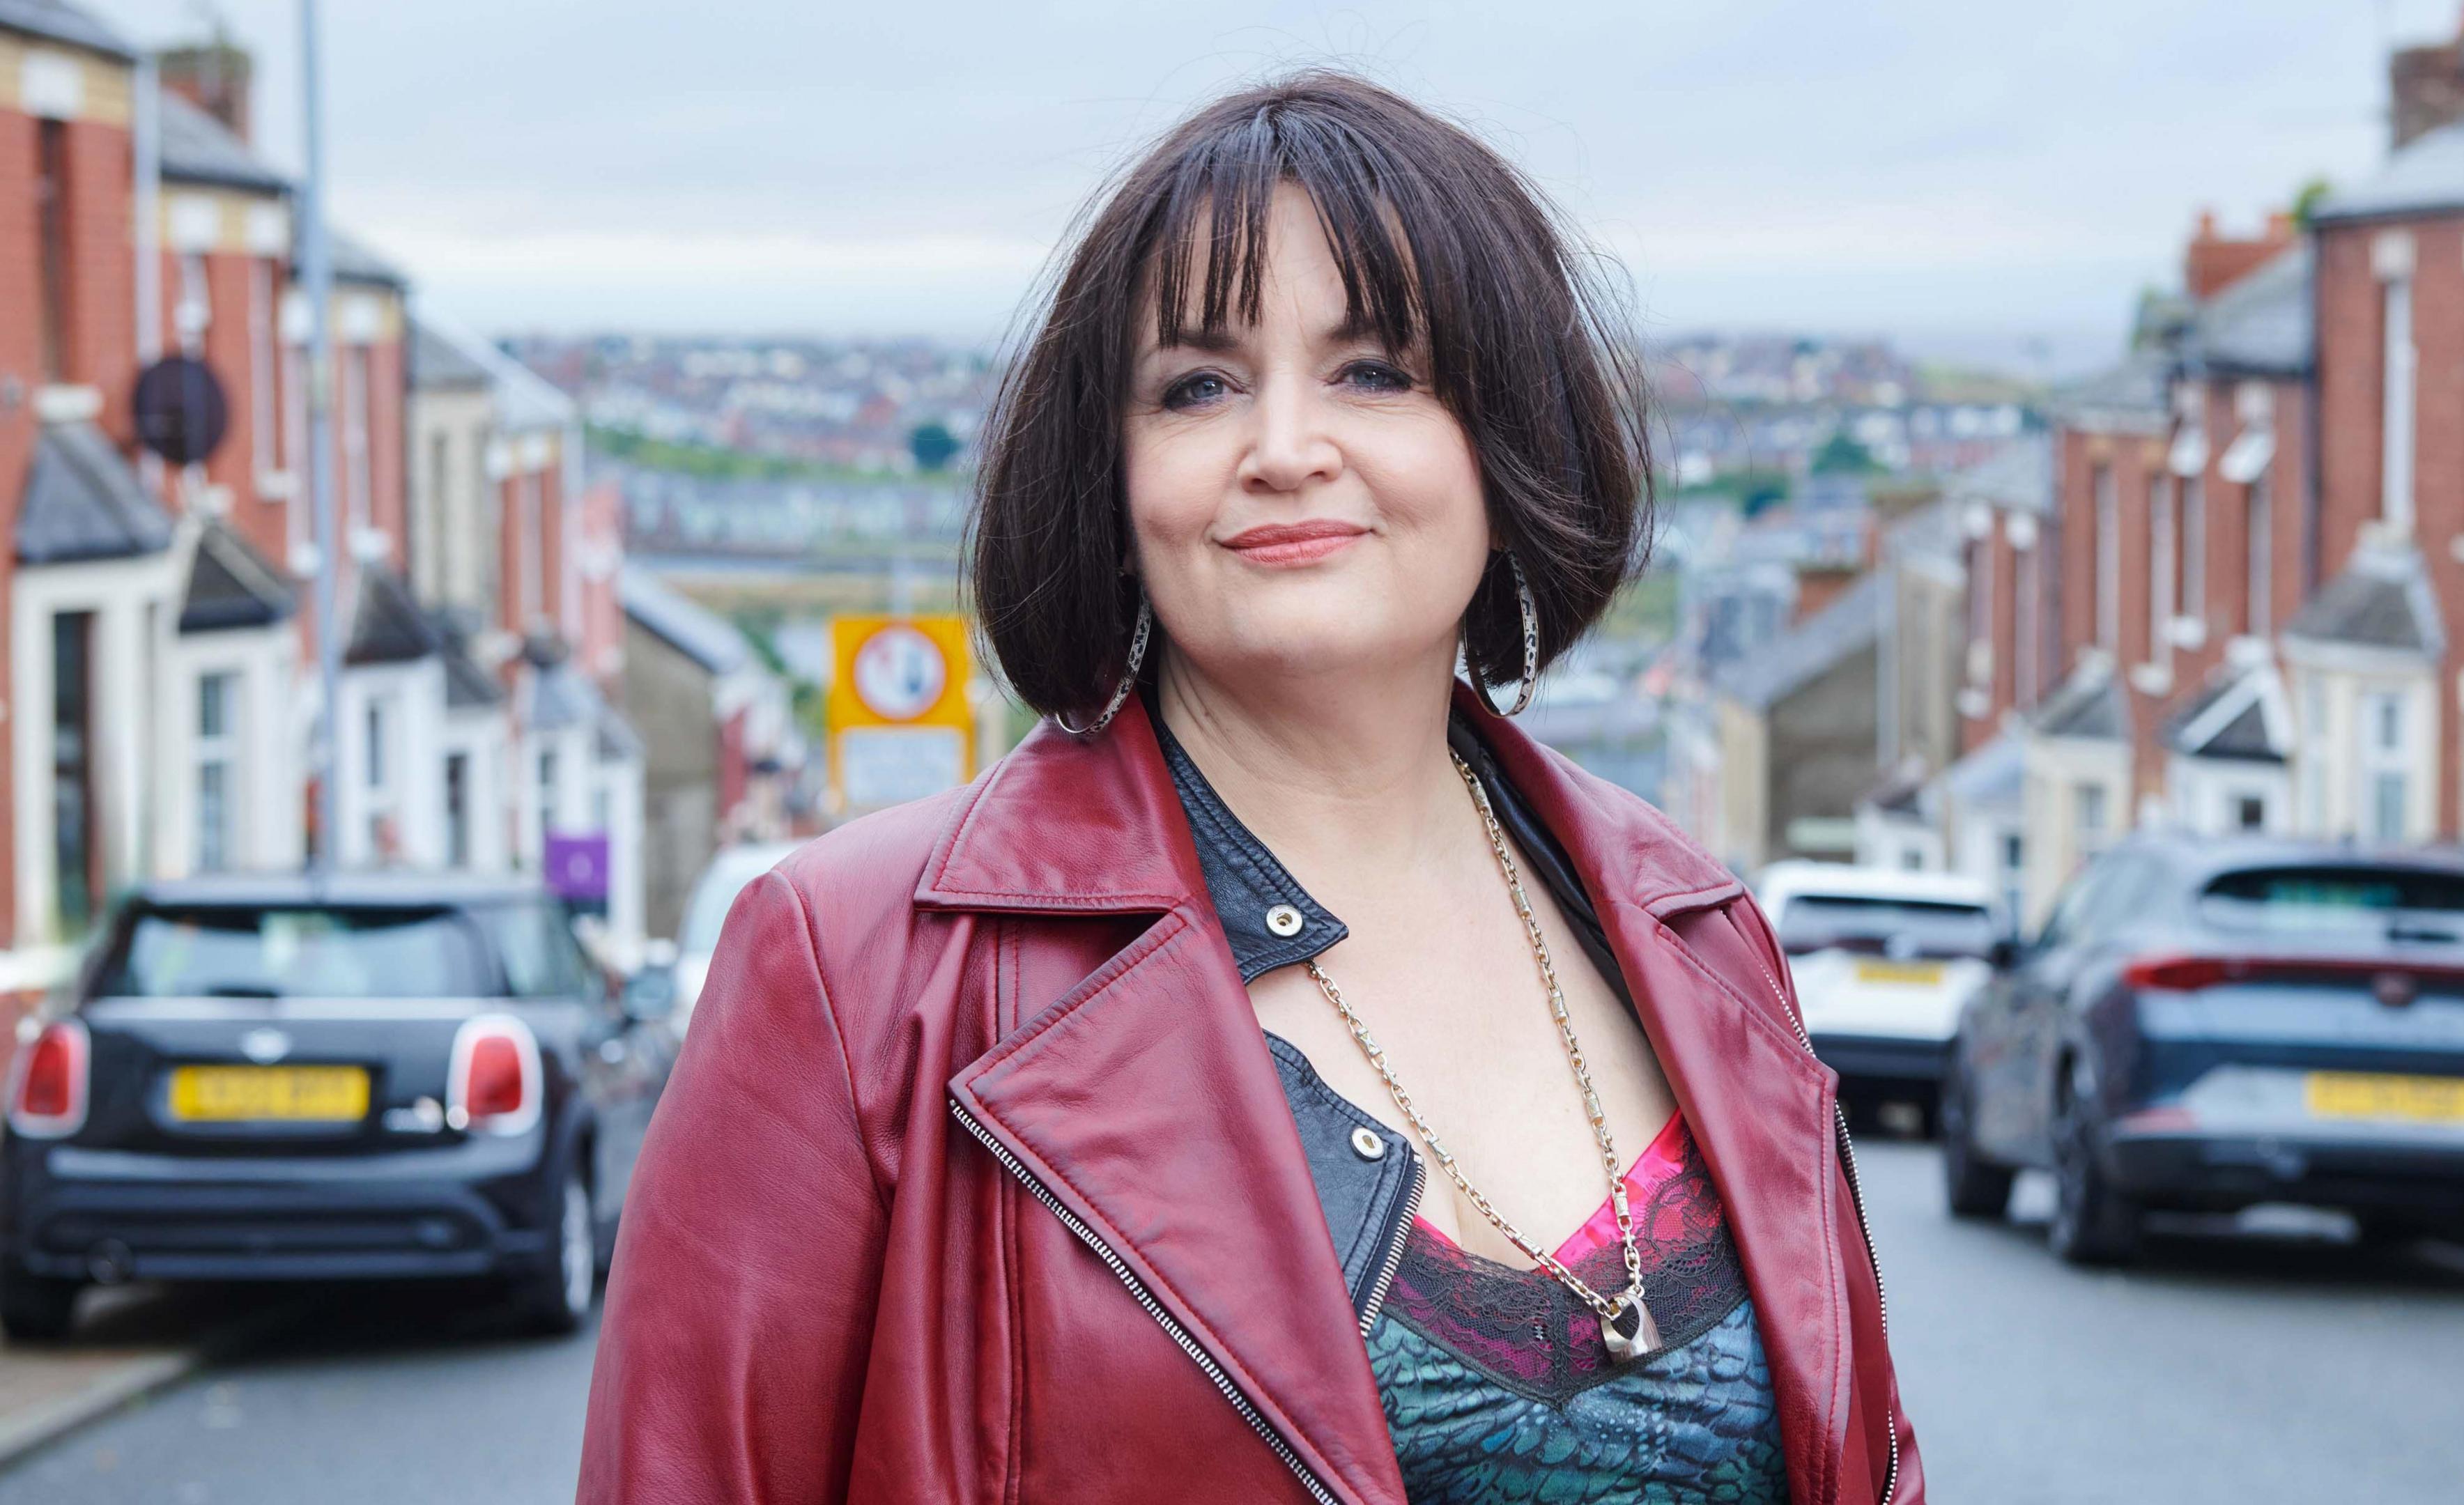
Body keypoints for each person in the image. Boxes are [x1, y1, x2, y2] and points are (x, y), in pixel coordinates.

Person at [578, 69, 1921, 1505]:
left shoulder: (1698, 934)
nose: (1283, 450)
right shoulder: (853, 972)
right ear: (1116, 473)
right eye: (1198, 387)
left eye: (1373, 371)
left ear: (1509, 437)